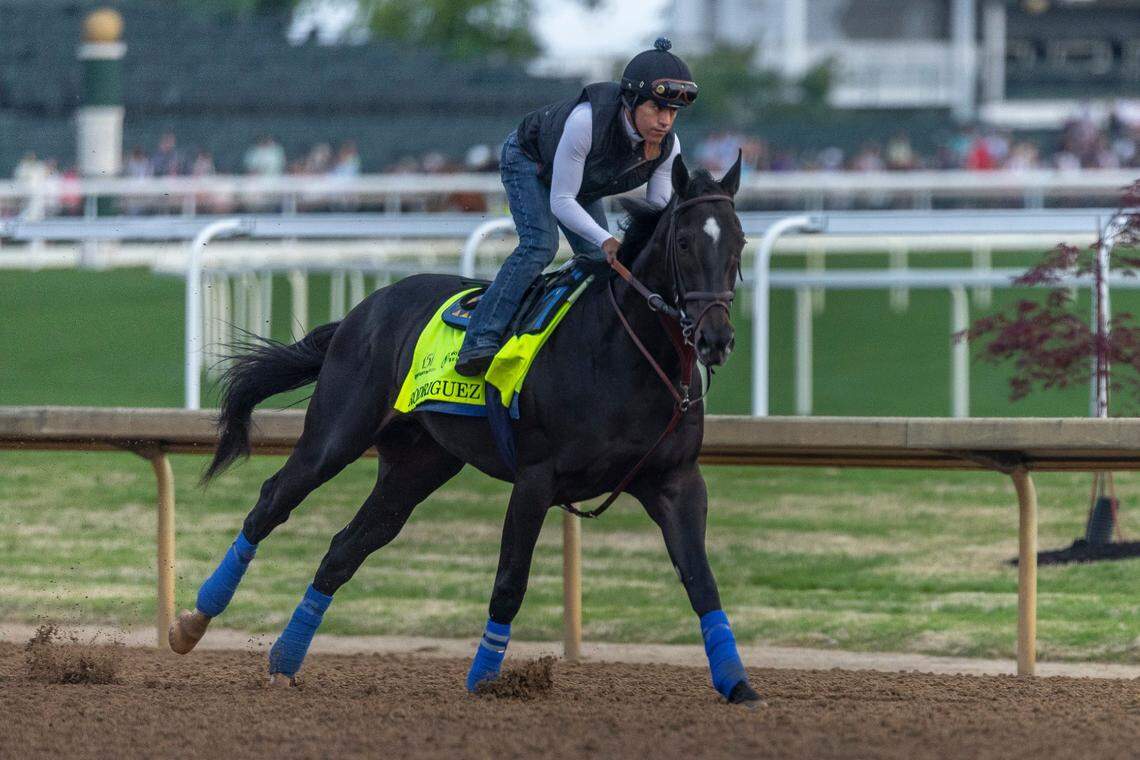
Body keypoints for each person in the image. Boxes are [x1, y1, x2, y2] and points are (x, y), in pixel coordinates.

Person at [454, 37, 697, 376]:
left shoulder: (669, 146)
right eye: (656, 109)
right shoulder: (586, 121)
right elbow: (561, 200)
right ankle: (479, 338)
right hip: (530, 161)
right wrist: (607, 238)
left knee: (601, 263)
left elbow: (656, 210)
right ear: (630, 101)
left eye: (672, 112)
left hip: (583, 180)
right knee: (540, 245)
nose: (665, 121)